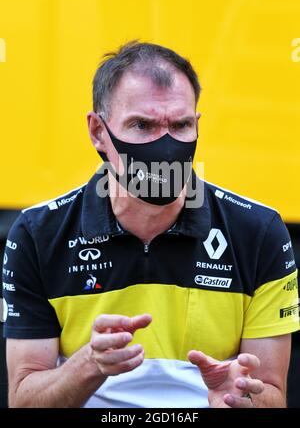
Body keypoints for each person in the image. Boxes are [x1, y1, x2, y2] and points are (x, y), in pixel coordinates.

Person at [3, 42, 299, 408]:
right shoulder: (38, 234)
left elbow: (272, 395)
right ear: (98, 131)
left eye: (180, 125)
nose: (165, 145)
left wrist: (241, 399)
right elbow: (23, 399)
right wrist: (89, 364)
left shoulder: (258, 232)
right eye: (142, 125)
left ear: (197, 125)